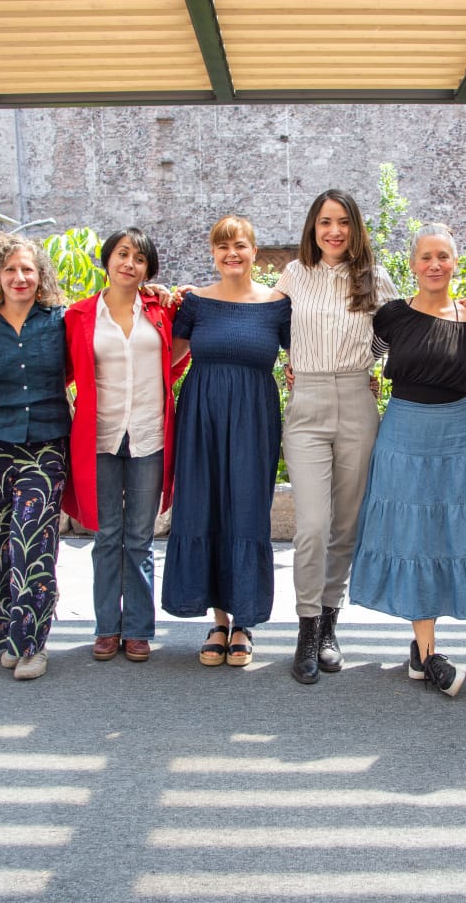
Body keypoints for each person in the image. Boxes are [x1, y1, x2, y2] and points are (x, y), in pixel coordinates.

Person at [350, 224, 466, 698]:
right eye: (426, 257)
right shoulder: (392, 316)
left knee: (444, 534)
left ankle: (423, 647)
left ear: (455, 263)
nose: (435, 265)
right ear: (413, 264)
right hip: (403, 432)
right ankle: (429, 653)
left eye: (443, 256)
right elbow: (362, 359)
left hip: (456, 437)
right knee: (412, 534)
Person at [272, 190, 400, 684]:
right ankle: (305, 628)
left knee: (345, 526)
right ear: (313, 227)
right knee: (312, 525)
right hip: (306, 403)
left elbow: (406, 329)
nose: (334, 231)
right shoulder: (293, 275)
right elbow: (259, 315)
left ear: (355, 228)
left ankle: (328, 626)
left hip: (356, 400)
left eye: (343, 221)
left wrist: (465, 309)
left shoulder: (375, 278)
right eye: (325, 222)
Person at [161, 215, 290, 667]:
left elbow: (307, 354)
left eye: (239, 245)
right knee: (205, 506)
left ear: (255, 251)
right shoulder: (195, 302)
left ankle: (244, 622)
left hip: (254, 417)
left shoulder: (278, 305)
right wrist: (155, 301)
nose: (231, 253)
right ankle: (218, 621)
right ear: (213, 254)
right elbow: (165, 355)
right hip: (202, 416)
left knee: (247, 509)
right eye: (222, 246)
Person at [65, 229, 189, 664]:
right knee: (106, 536)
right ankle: (106, 627)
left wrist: (179, 297)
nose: (129, 264)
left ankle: (137, 629)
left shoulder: (160, 310)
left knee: (139, 537)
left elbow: (176, 355)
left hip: (149, 434)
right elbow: (62, 371)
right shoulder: (79, 315)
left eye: (139, 258)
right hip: (99, 436)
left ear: (147, 269)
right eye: (122, 254)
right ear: (107, 260)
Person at [0, 233, 70, 681]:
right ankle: (7, 635)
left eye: (27, 269)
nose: (19, 277)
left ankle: (32, 644)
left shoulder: (60, 322)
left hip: (44, 446)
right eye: (10, 270)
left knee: (32, 545)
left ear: (41, 275)